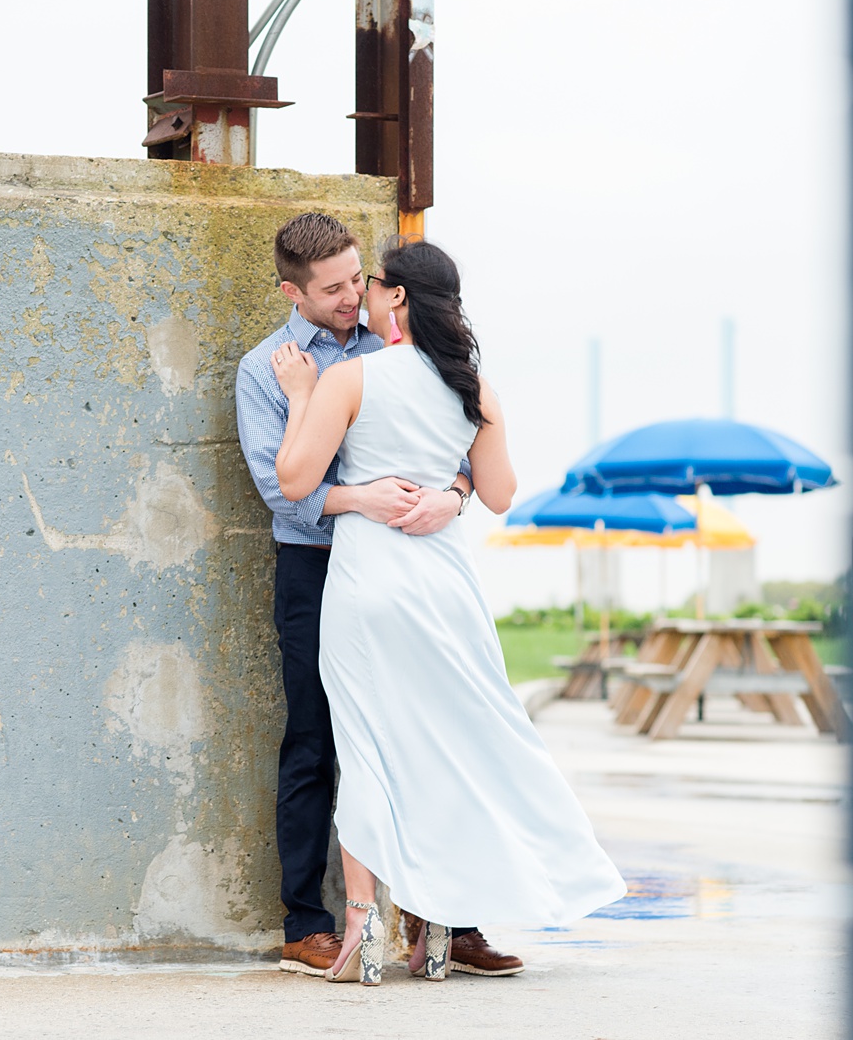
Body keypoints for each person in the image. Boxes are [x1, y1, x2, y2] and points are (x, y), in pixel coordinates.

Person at [271, 236, 626, 986]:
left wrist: (303, 397)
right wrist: (451, 491)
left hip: (371, 578)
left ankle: (363, 926)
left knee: (368, 745)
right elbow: (498, 493)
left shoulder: (351, 379)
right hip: (446, 584)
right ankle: (434, 928)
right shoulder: (475, 386)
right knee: (446, 747)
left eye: (373, 283)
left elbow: (296, 477)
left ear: (397, 297)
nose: (363, 293)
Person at [235, 214, 473, 977]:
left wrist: (456, 495)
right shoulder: (265, 368)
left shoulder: (396, 347)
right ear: (291, 291)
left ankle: (449, 920)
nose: (349, 296)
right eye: (331, 287)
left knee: (427, 734)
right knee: (314, 739)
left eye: (354, 279)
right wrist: (361, 498)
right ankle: (307, 921)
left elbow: (466, 444)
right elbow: (282, 489)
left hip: (405, 565)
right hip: (315, 569)